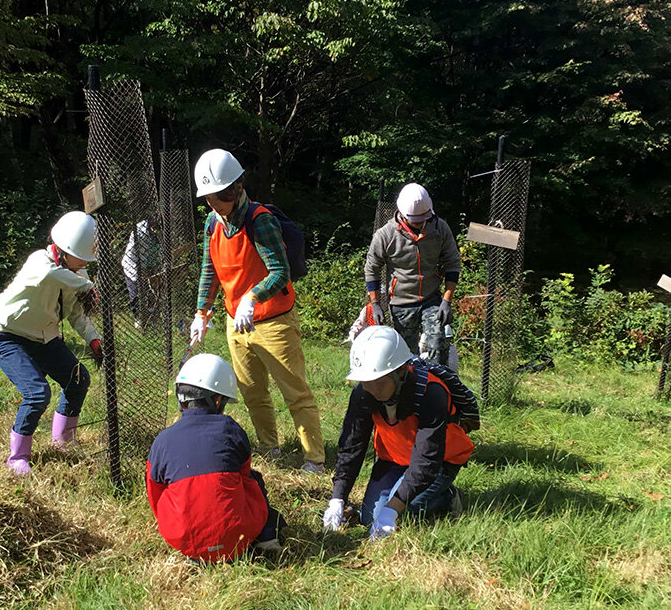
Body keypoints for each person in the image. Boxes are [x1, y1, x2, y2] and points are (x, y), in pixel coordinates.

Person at [189, 148, 325, 473]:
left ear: (234, 189)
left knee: (295, 391)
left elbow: (280, 272)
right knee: (252, 392)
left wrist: (253, 296)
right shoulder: (212, 222)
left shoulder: (259, 220)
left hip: (273, 321)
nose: (212, 205)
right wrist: (202, 313)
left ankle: (315, 459)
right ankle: (269, 447)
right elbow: (210, 271)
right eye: (207, 198)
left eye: (216, 197)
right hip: (236, 322)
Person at [322, 326, 479, 539]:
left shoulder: (431, 393)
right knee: (369, 518)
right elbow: (352, 445)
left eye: (378, 382)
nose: (372, 390)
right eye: (365, 382)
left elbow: (427, 459)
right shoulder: (364, 393)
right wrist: (337, 499)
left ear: (401, 371)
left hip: (440, 461)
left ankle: (447, 496)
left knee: (407, 511)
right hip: (395, 459)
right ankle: (413, 496)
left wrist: (393, 509)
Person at [0, 211, 103, 476]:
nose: (84, 263)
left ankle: (63, 442)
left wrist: (93, 339)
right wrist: (86, 286)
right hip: (7, 335)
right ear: (64, 248)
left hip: (43, 336)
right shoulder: (39, 261)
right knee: (37, 393)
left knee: (77, 379)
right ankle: (17, 458)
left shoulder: (77, 273)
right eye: (81, 257)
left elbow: (76, 314)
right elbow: (53, 276)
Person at [147, 353, 285, 562]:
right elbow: (244, 474)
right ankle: (267, 538)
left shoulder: (162, 441)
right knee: (254, 480)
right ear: (218, 399)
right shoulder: (231, 429)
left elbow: (155, 495)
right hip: (237, 541)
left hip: (185, 543)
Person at [364, 182, 461, 366]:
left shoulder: (440, 229)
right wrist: (375, 303)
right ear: (402, 214)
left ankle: (436, 386)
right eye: (415, 219)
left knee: (438, 344)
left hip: (431, 298)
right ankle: (411, 390)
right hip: (401, 303)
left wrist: (447, 300)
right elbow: (372, 268)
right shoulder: (385, 235)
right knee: (406, 356)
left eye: (423, 218)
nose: (420, 223)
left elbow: (453, 263)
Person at [121, 217, 161, 327]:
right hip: (132, 265)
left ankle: (150, 319)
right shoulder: (140, 233)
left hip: (148, 265)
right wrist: (140, 270)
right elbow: (133, 254)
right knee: (135, 293)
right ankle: (138, 319)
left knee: (151, 292)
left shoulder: (155, 235)